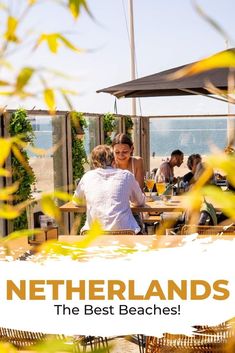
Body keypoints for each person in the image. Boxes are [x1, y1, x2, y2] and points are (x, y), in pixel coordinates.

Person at [73, 145, 145, 234]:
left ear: (94, 163)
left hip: (93, 234)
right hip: (125, 233)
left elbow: (76, 201)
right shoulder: (126, 175)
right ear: (113, 160)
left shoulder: (87, 176)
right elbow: (140, 202)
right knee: (139, 225)